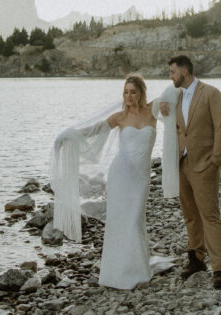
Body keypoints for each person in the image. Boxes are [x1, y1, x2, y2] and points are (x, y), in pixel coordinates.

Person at [51, 75, 179, 290]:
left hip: (141, 178)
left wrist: (166, 101)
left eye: (133, 92)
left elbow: (176, 90)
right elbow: (94, 131)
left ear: (141, 93)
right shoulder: (120, 117)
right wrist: (69, 136)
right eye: (126, 92)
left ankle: (138, 271)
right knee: (120, 222)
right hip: (120, 175)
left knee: (135, 220)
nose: (129, 96)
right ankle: (115, 274)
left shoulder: (153, 110)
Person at [160, 55, 221, 289]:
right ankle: (196, 259)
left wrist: (216, 160)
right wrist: (162, 107)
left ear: (185, 71)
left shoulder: (211, 93)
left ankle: (220, 267)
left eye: (172, 72)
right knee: (190, 215)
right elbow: (158, 114)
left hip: (205, 164)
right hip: (182, 164)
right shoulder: (175, 96)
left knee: (210, 215)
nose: (170, 76)